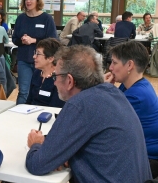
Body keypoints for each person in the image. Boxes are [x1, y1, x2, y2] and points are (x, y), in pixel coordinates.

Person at [26, 45, 152, 182]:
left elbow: (36, 165)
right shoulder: (113, 93)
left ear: (69, 81)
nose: (54, 81)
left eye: (55, 76)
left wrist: (36, 144)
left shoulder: (80, 104)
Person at [104, 41, 158, 178]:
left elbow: (103, 121)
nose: (110, 68)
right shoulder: (132, 85)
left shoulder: (136, 95)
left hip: (147, 159)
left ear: (129, 65)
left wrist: (102, 89)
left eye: (114, 63)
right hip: (139, 152)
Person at [12, 0, 57, 105]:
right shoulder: (21, 18)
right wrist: (22, 41)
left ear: (37, 1)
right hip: (24, 60)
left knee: (40, 91)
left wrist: (34, 41)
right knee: (23, 91)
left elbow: (54, 41)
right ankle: (18, 115)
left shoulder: (47, 18)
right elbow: (14, 39)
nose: (28, 1)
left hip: (43, 62)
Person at [25, 38, 65, 108]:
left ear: (50, 58)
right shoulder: (37, 73)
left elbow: (55, 107)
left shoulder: (60, 78)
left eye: (38, 54)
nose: (34, 56)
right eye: (35, 53)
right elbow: (29, 101)